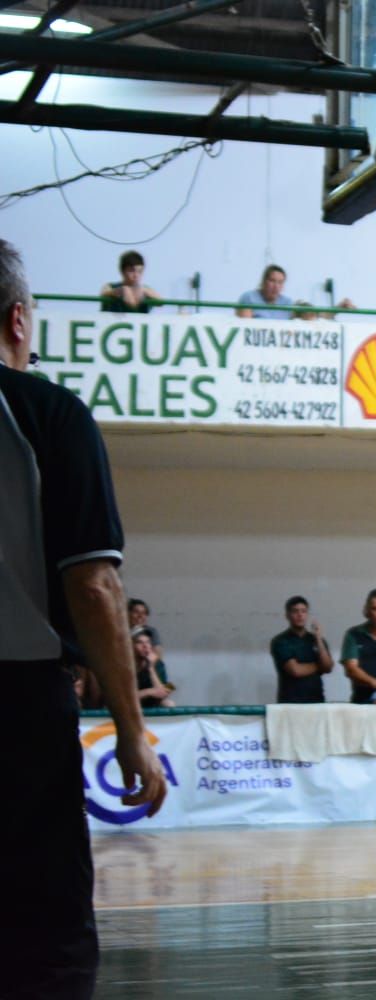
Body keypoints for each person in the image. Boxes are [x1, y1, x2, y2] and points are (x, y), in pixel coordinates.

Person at [1, 237, 168, 997]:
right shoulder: (48, 413)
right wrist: (131, 729)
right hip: (19, 703)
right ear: (18, 320)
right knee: (44, 935)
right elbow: (95, 588)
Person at [270, 595, 334, 704]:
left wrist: (318, 639)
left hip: (317, 701)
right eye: (295, 611)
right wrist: (319, 666)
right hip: (290, 702)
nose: (300, 615)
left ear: (307, 614)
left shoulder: (317, 640)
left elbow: (328, 667)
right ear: (287, 615)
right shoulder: (280, 641)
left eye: (303, 611)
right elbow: (296, 671)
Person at [132, 627, 174, 707]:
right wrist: (149, 692)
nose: (145, 646)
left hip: (150, 702)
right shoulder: (125, 666)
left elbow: (162, 693)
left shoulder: (158, 664)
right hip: (130, 705)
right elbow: (124, 697)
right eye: (139, 642)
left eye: (148, 642)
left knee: (168, 703)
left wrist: (151, 668)